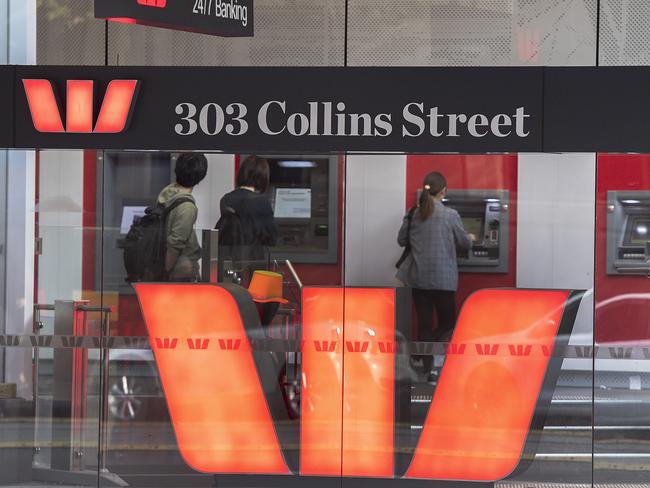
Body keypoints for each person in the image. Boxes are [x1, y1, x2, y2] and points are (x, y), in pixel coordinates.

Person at [396, 171, 475, 377]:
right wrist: (472, 237)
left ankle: (427, 367)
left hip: (419, 278)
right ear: (444, 191)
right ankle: (438, 363)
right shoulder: (450, 215)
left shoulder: (413, 213)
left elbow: (401, 240)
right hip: (444, 280)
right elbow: (464, 242)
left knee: (424, 324)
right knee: (447, 324)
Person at [217, 155, 278, 286]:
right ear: (262, 177)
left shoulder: (226, 199)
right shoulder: (261, 202)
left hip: (229, 264)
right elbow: (272, 239)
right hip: (253, 266)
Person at [158, 152, 208, 282]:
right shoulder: (187, 207)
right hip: (179, 272)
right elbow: (175, 243)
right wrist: (166, 272)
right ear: (200, 177)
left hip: (168, 267)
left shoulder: (168, 193)